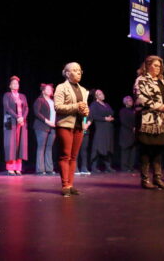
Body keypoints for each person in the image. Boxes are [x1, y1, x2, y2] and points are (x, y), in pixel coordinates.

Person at [133, 55, 164, 189]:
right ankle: (145, 180)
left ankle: (157, 178)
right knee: (146, 150)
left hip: (162, 121)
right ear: (147, 65)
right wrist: (159, 106)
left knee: (158, 150)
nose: (158, 68)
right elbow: (140, 97)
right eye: (155, 65)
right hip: (148, 121)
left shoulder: (163, 81)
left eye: (159, 66)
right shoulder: (141, 80)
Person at [54, 62, 89, 197]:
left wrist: (86, 110)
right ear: (67, 73)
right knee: (65, 155)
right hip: (65, 125)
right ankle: (65, 185)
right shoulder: (61, 87)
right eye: (74, 70)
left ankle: (71, 184)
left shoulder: (83, 90)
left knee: (74, 157)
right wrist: (76, 106)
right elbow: (57, 107)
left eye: (79, 70)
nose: (78, 72)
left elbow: (83, 108)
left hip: (79, 125)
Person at [3, 76, 29, 176]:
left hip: (22, 122)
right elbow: (7, 107)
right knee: (11, 144)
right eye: (13, 83)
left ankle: (18, 167)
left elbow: (26, 108)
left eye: (17, 84)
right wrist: (17, 117)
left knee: (20, 144)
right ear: (10, 86)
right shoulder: (7, 95)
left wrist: (23, 117)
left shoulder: (22, 96)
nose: (15, 85)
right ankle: (10, 168)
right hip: (10, 121)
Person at [89, 89, 116, 173]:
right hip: (100, 128)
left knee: (107, 147)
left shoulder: (106, 104)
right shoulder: (94, 105)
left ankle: (108, 166)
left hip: (108, 128)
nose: (102, 94)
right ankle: (94, 167)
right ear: (96, 96)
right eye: (99, 93)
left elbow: (112, 112)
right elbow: (94, 116)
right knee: (98, 146)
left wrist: (111, 117)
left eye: (102, 93)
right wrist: (105, 118)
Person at [33, 83, 57, 175]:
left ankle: (49, 169)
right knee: (41, 147)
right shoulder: (40, 100)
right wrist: (47, 121)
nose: (50, 90)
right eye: (48, 89)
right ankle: (40, 169)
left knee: (49, 147)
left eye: (51, 89)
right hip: (41, 126)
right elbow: (37, 112)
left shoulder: (53, 101)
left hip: (53, 127)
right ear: (43, 91)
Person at [118, 95, 137, 172]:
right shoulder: (123, 111)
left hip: (133, 134)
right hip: (126, 133)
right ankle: (125, 168)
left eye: (131, 100)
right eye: (129, 100)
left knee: (133, 151)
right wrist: (132, 127)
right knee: (125, 151)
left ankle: (131, 167)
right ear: (125, 102)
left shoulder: (134, 110)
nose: (131, 101)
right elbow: (123, 121)